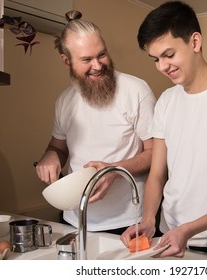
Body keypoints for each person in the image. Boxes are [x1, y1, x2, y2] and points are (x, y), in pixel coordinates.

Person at [121, 1, 207, 259]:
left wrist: (188, 229)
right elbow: (157, 174)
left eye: (169, 55)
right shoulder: (166, 100)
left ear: (195, 42)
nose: (162, 66)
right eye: (155, 59)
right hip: (169, 240)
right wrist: (149, 219)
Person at [35, 11, 156, 235]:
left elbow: (156, 154)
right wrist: (50, 155)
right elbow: (57, 147)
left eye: (102, 55)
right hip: (75, 219)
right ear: (66, 61)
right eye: (86, 60)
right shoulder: (64, 101)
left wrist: (114, 170)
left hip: (129, 222)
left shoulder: (136, 90)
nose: (98, 65)